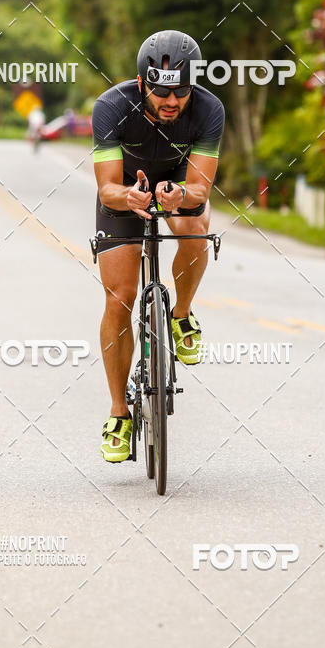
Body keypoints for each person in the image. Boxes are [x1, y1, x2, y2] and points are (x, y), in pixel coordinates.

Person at [92, 30, 225, 462]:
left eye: (181, 91)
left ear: (193, 85)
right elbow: (108, 187)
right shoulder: (111, 107)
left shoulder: (209, 110)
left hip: (177, 188)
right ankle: (119, 414)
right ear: (140, 82)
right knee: (120, 299)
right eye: (161, 91)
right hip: (124, 195)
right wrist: (130, 196)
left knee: (193, 228)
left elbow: (201, 187)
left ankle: (181, 317)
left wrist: (179, 197)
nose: (171, 101)